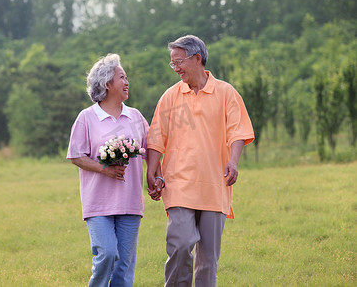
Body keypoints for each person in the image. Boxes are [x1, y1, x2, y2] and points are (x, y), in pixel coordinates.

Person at [146, 35, 255, 287]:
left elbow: (238, 131)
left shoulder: (225, 93)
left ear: (197, 59)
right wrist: (152, 173)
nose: (176, 68)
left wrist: (234, 161)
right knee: (180, 245)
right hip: (179, 185)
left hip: (214, 185)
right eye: (172, 64)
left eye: (180, 62)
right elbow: (155, 138)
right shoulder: (171, 97)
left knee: (208, 260)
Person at [67, 53, 152, 287]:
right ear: (107, 84)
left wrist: (154, 174)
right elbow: (75, 155)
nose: (127, 82)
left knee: (124, 266)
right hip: (98, 203)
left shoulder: (135, 116)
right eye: (122, 77)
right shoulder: (87, 118)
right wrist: (104, 169)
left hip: (130, 201)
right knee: (106, 254)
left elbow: (151, 148)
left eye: (126, 77)